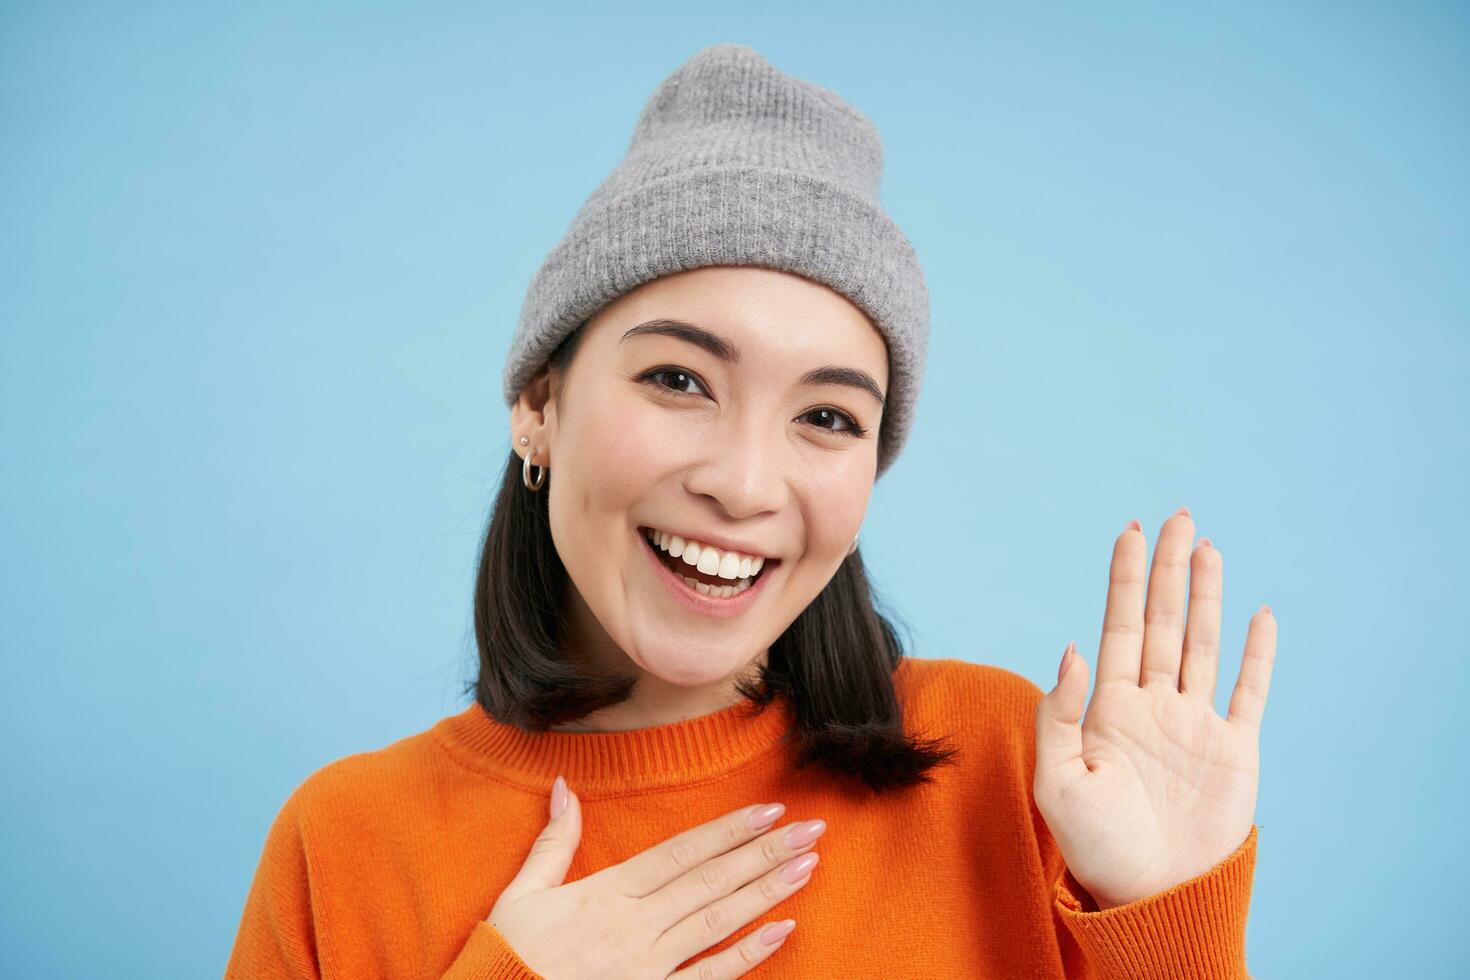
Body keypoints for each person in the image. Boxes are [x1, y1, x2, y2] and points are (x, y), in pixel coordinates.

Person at [226, 43, 1276, 979]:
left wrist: (1167, 924)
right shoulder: (347, 841)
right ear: (538, 404)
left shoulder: (1012, 769)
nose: (745, 482)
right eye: (679, 380)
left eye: (825, 415)